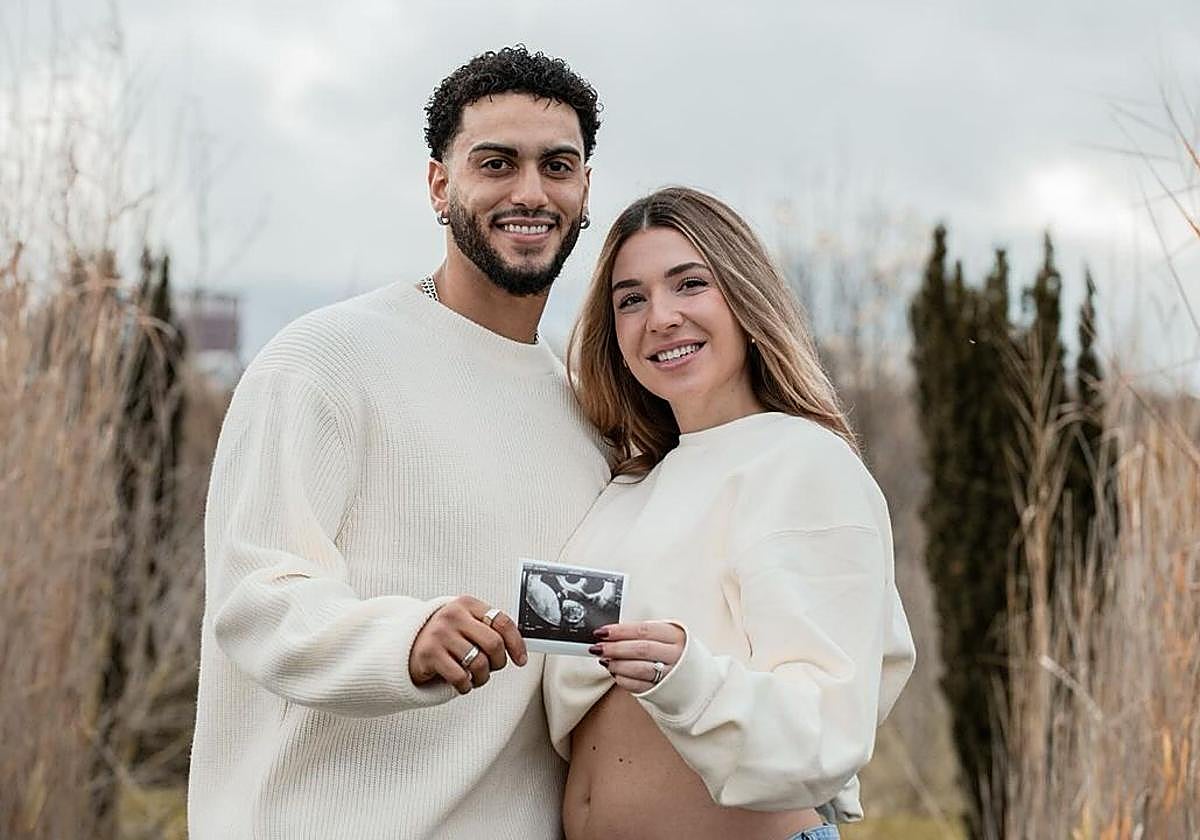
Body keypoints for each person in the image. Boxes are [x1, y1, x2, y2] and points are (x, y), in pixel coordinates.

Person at [188, 47, 609, 839]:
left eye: (557, 166)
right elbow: (257, 598)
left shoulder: (587, 413)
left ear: (584, 190)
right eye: (497, 163)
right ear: (440, 185)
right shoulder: (324, 361)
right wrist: (403, 640)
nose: (530, 192)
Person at [544, 187, 916, 840]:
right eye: (631, 299)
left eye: (690, 284)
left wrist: (685, 676)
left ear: (744, 298)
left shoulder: (803, 463)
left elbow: (827, 731)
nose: (661, 317)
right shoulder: (627, 487)